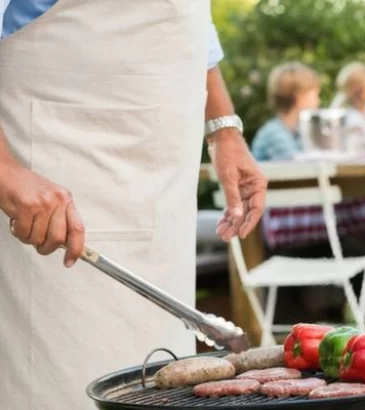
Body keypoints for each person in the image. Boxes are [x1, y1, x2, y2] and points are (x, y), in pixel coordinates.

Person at [0, 2, 267, 408]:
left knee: (160, 370)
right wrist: (5, 169)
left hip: (163, 185)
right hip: (57, 160)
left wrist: (223, 127)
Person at [250, 61, 365, 326]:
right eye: (314, 93)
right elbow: (305, 174)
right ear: (299, 96)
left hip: (306, 234)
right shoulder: (275, 135)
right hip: (286, 239)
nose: (318, 99)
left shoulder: (299, 132)